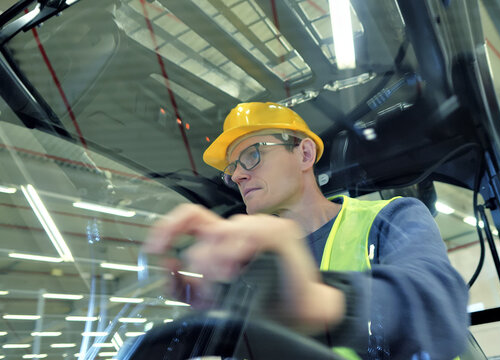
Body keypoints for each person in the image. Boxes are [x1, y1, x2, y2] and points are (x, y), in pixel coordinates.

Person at [144, 102, 469, 359]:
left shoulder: (391, 217)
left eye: (252, 155)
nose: (239, 175)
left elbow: (439, 306)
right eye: (232, 168)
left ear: (304, 153)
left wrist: (321, 304)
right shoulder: (248, 265)